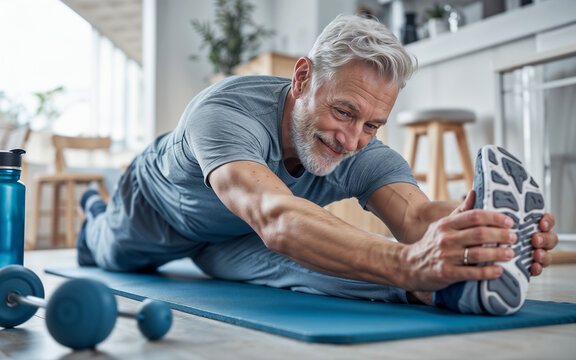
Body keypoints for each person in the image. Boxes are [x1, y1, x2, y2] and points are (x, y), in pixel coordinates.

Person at [78, 14, 558, 314]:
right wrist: (408, 261)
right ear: (303, 78)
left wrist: (481, 229)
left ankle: (441, 293)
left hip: (232, 240)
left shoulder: (362, 148)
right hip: (157, 212)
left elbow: (414, 216)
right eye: (344, 111)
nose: (352, 139)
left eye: (372, 124)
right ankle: (92, 213)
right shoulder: (223, 113)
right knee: (106, 251)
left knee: (306, 264)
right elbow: (276, 216)